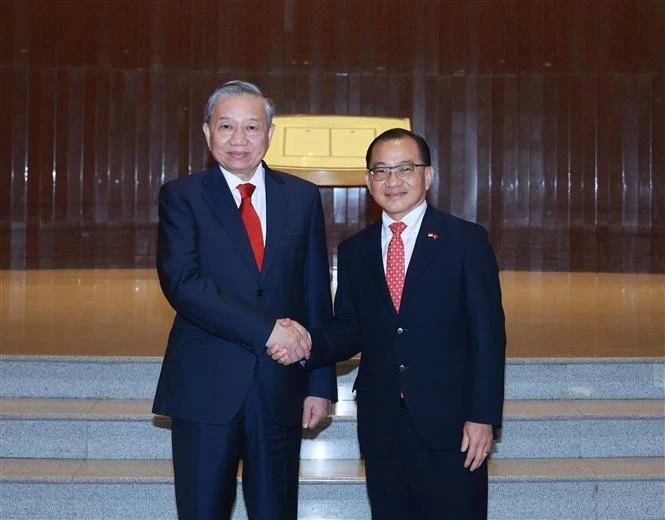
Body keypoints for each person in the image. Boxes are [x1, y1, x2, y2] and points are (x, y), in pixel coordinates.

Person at [271, 128, 506, 519]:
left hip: (452, 424)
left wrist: (482, 416)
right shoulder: (354, 250)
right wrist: (305, 341)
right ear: (367, 182)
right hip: (383, 425)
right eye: (380, 171)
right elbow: (349, 329)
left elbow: (488, 336)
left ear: (427, 176)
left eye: (404, 168)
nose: (392, 181)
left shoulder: (465, 241)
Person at [152, 80, 337, 520]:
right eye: (227, 126)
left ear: (271, 134)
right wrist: (267, 328)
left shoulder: (302, 197)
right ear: (206, 132)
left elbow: (315, 293)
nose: (239, 139)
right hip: (205, 387)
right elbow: (184, 284)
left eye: (252, 127)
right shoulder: (182, 197)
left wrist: (320, 384)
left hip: (281, 386)